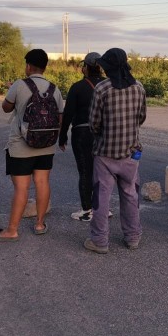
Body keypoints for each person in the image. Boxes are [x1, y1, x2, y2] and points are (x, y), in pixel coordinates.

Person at [0, 49, 64, 242]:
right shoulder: (54, 89)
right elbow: (60, 118)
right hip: (46, 145)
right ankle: (39, 224)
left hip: (21, 146)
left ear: (28, 66)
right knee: (42, 182)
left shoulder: (20, 85)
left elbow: (6, 108)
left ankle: (12, 230)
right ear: (45, 67)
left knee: (21, 188)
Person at [83, 48, 147, 254]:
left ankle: (100, 241)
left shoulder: (102, 89)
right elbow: (141, 118)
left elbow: (93, 123)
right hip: (131, 153)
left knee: (101, 197)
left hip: (105, 153)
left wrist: (104, 133)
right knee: (130, 195)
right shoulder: (139, 88)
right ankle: (133, 237)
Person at [59, 52, 104, 222]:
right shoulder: (108, 85)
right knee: (102, 172)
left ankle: (87, 210)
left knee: (85, 171)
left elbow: (68, 113)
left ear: (85, 67)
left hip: (82, 133)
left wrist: (62, 137)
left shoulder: (78, 87)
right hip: (103, 134)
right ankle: (102, 208)